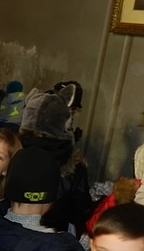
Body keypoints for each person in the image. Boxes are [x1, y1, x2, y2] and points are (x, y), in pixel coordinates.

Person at [19, 84, 94, 236]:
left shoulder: (12, 152)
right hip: (54, 234)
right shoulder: (73, 164)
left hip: (12, 227)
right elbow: (81, 210)